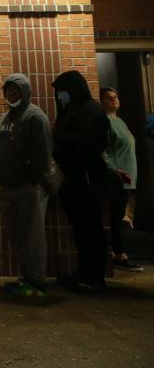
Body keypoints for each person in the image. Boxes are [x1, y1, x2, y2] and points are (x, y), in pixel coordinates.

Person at [52, 70, 111, 293]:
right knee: (80, 230)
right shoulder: (72, 110)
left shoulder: (91, 111)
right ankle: (83, 272)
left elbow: (86, 143)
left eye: (62, 91)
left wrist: (58, 139)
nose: (60, 96)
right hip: (73, 179)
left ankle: (95, 276)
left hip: (87, 179)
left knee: (92, 230)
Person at [0, 74, 53, 298]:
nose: (11, 94)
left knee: (33, 235)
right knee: (18, 236)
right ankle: (25, 277)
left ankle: (37, 281)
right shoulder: (5, 118)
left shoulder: (35, 117)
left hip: (28, 187)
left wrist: (34, 179)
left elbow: (43, 153)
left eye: (16, 90)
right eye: (8, 90)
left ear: (25, 92)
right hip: (8, 187)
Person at [100, 87, 143, 272]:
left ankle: (118, 251)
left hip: (128, 178)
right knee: (116, 217)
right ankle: (119, 254)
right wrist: (114, 170)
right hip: (117, 177)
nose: (114, 100)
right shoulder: (105, 122)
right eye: (109, 98)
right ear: (101, 102)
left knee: (122, 217)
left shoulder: (120, 121)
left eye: (116, 97)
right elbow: (103, 150)